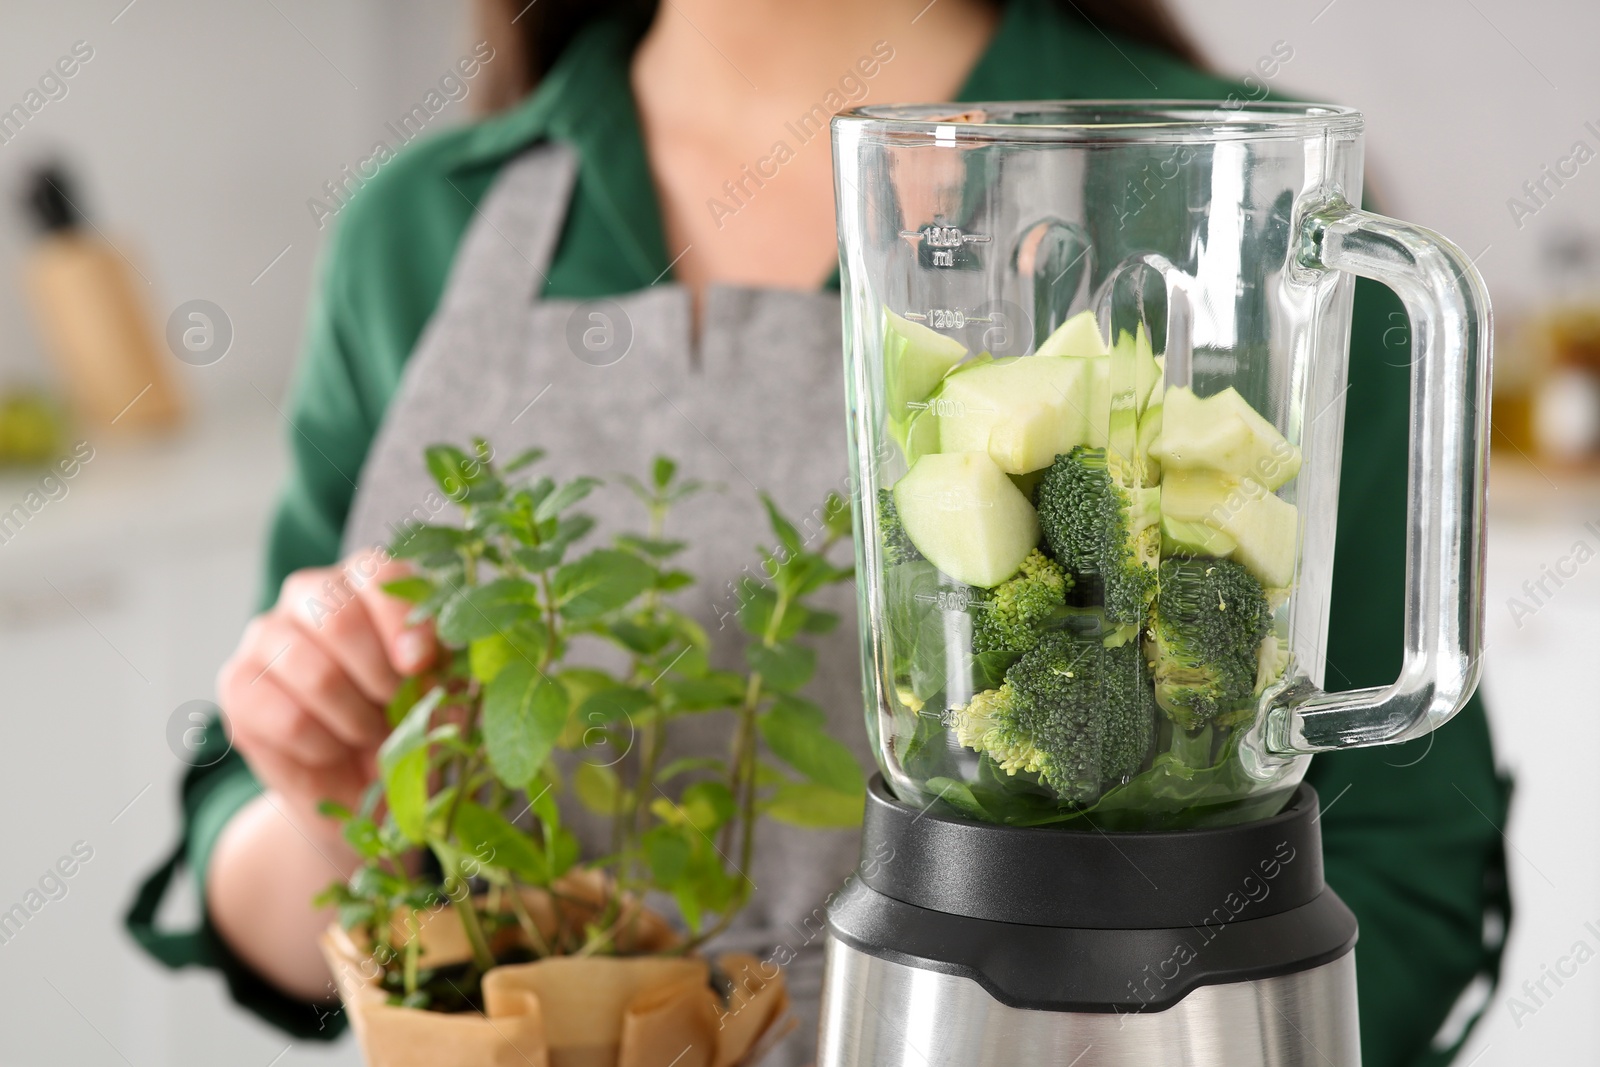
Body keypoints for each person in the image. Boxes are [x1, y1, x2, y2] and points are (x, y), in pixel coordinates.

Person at [127, 2, 1511, 1064]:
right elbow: (246, 844)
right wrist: (329, 805)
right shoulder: (418, 229)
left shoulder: (1223, 187)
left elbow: (1407, 866)